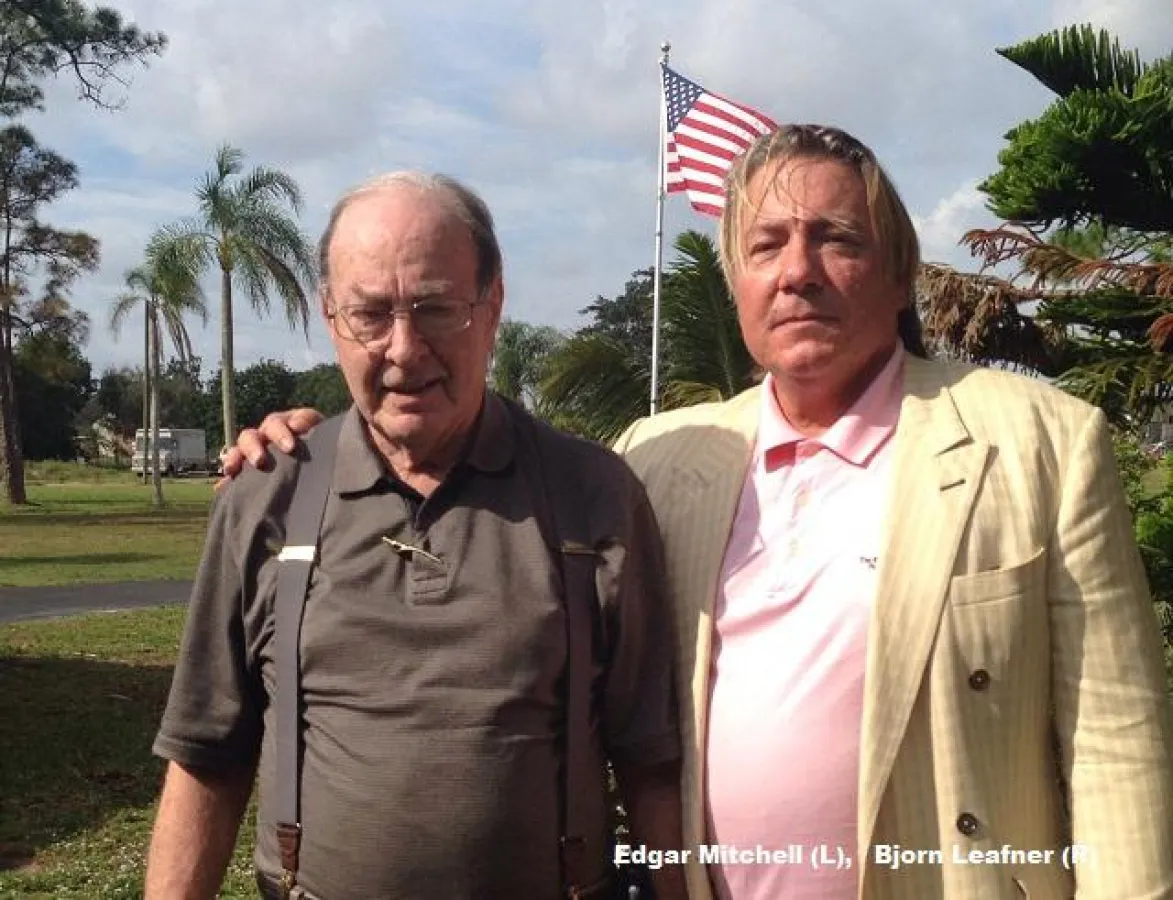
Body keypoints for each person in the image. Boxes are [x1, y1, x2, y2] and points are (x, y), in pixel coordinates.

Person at [223, 127, 1173, 899]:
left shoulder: (1036, 441)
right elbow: (475, 444)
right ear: (736, 284)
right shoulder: (659, 457)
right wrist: (312, 437)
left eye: (835, 239)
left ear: (896, 273)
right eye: (765, 245)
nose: (795, 272)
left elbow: (1117, 741)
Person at [145, 171, 686, 900]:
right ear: (331, 317)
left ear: (491, 308)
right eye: (370, 313)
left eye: (436, 308)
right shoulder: (267, 495)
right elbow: (207, 754)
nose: (404, 349)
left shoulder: (592, 494)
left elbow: (648, 761)